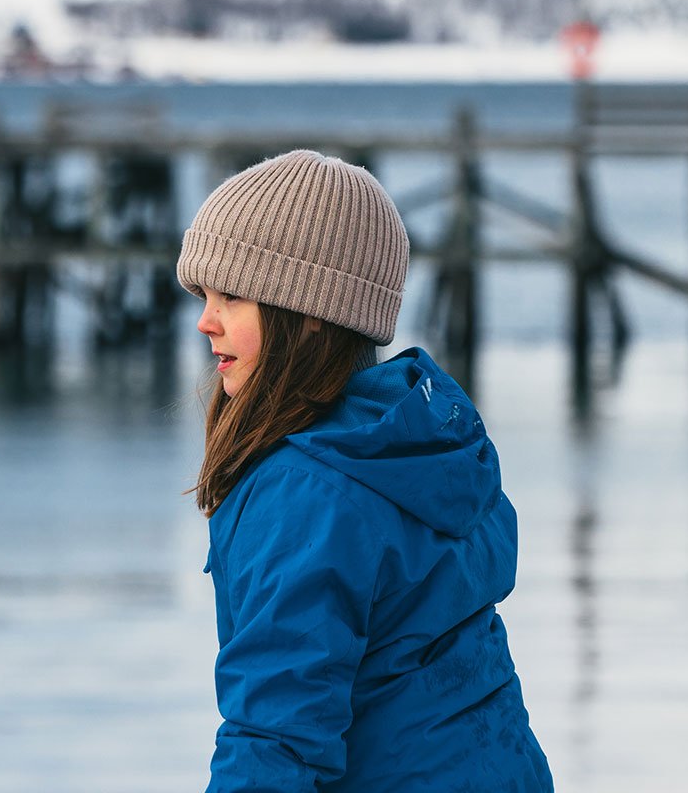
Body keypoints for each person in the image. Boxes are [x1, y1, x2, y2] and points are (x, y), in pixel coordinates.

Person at [176, 149, 554, 792]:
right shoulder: (428, 447)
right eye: (203, 295)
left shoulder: (307, 492)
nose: (206, 321)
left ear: (312, 309)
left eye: (231, 296)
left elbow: (276, 740)